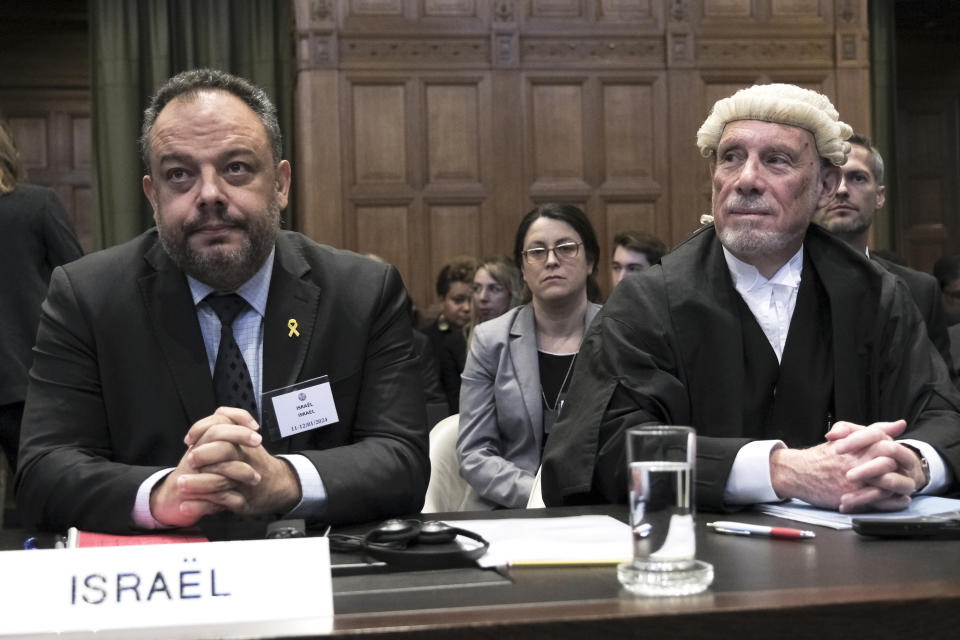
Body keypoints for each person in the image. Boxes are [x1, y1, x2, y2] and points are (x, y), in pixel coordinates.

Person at [15, 69, 429, 535]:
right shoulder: (88, 297)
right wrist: (164, 493)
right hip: (163, 581)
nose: (209, 195)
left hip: (325, 573)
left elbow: (402, 460)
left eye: (236, 167)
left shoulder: (362, 292)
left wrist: (284, 480)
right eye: (179, 175)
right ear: (153, 196)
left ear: (280, 183)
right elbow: (43, 472)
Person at [542, 83, 960, 513]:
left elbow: (944, 416)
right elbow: (602, 446)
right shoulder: (649, 303)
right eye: (731, 158)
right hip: (702, 558)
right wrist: (780, 470)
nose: (746, 180)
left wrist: (912, 463)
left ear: (825, 184)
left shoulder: (874, 296)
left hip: (860, 562)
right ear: (714, 176)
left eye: (776, 160)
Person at [458, 204, 602, 508]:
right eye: (536, 252)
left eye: (565, 248)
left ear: (590, 260)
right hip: (506, 509)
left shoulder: (619, 336)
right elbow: (474, 454)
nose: (551, 260)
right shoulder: (490, 341)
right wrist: (538, 496)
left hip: (596, 507)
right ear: (522, 270)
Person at [812, 133, 954, 375]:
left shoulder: (920, 291)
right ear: (812, 192)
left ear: (879, 196)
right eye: (829, 180)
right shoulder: (781, 282)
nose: (842, 189)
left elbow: (940, 396)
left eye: (857, 178)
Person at [0, 122, 83, 475]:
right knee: (42, 486)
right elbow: (80, 284)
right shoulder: (37, 204)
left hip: (22, 377)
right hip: (28, 374)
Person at [423, 257, 476, 414]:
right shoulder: (426, 340)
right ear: (441, 300)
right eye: (458, 300)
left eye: (472, 300)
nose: (467, 307)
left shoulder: (486, 336)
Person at [470, 254, 526, 326]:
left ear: (511, 293)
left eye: (494, 289)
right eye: (476, 288)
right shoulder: (462, 335)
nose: (482, 297)